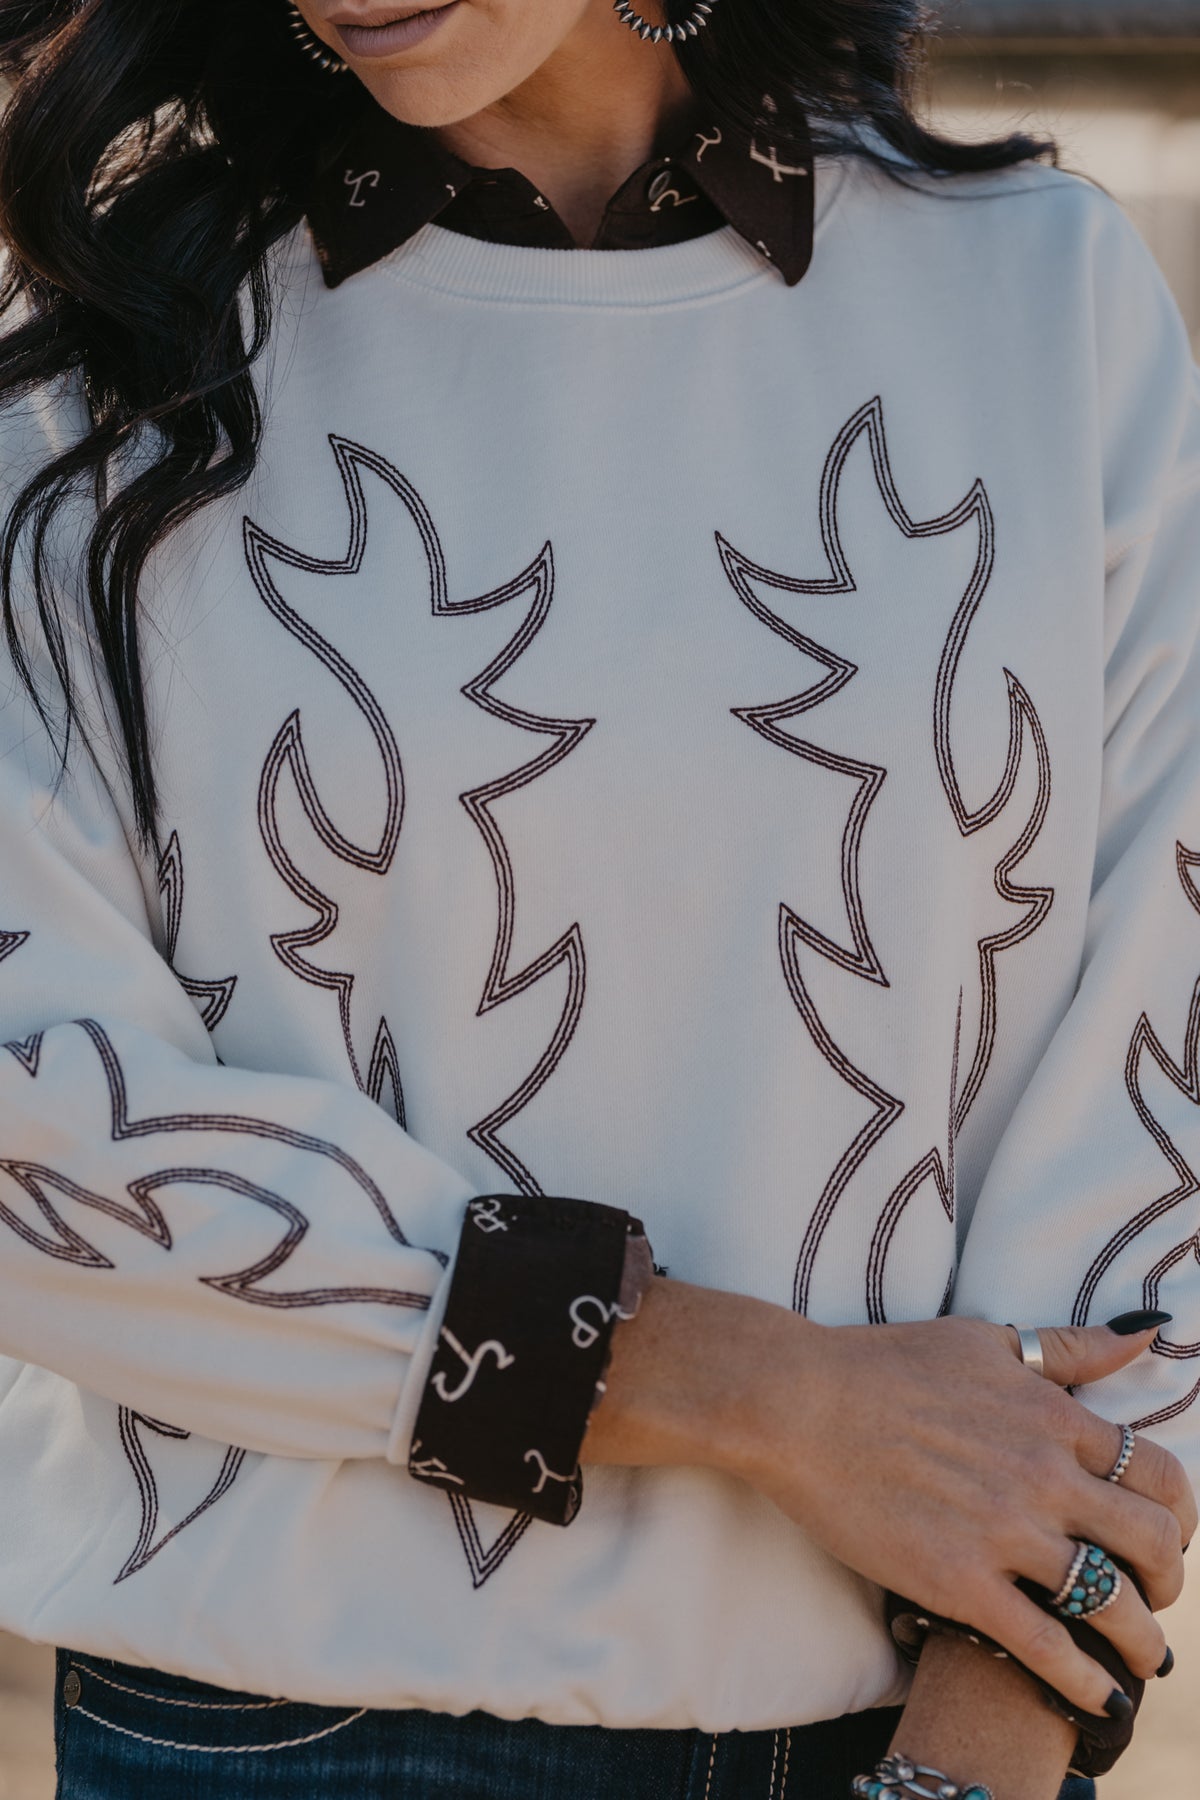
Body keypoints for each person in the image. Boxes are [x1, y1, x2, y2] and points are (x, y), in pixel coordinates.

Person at [0, 2, 1196, 1796]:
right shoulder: (99, 358)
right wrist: (759, 1396)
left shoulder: (1047, 297)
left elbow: (1163, 1038)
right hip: (283, 1737)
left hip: (909, 1726)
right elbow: (33, 1113)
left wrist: (990, 1733)